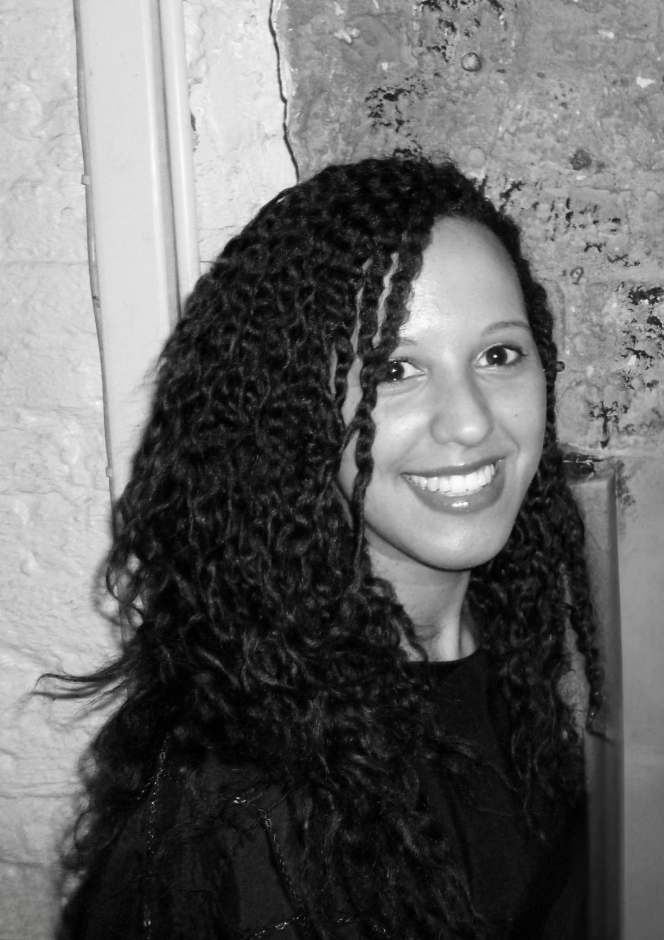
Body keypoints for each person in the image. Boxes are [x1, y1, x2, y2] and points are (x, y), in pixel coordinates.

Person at [54, 154, 602, 940]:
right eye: (397, 368)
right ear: (296, 411)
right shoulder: (254, 813)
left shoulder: (513, 663)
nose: (473, 421)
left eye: (499, 355)